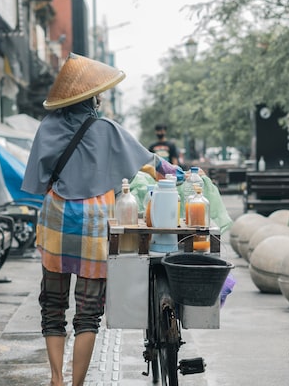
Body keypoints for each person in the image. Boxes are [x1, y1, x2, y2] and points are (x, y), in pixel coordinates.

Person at [21, 53, 183, 386]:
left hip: (56, 219)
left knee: (52, 303)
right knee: (88, 310)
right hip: (95, 221)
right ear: (91, 97)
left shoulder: (48, 126)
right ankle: (77, 384)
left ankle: (56, 378)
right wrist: (180, 173)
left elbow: (37, 180)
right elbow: (153, 165)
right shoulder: (106, 128)